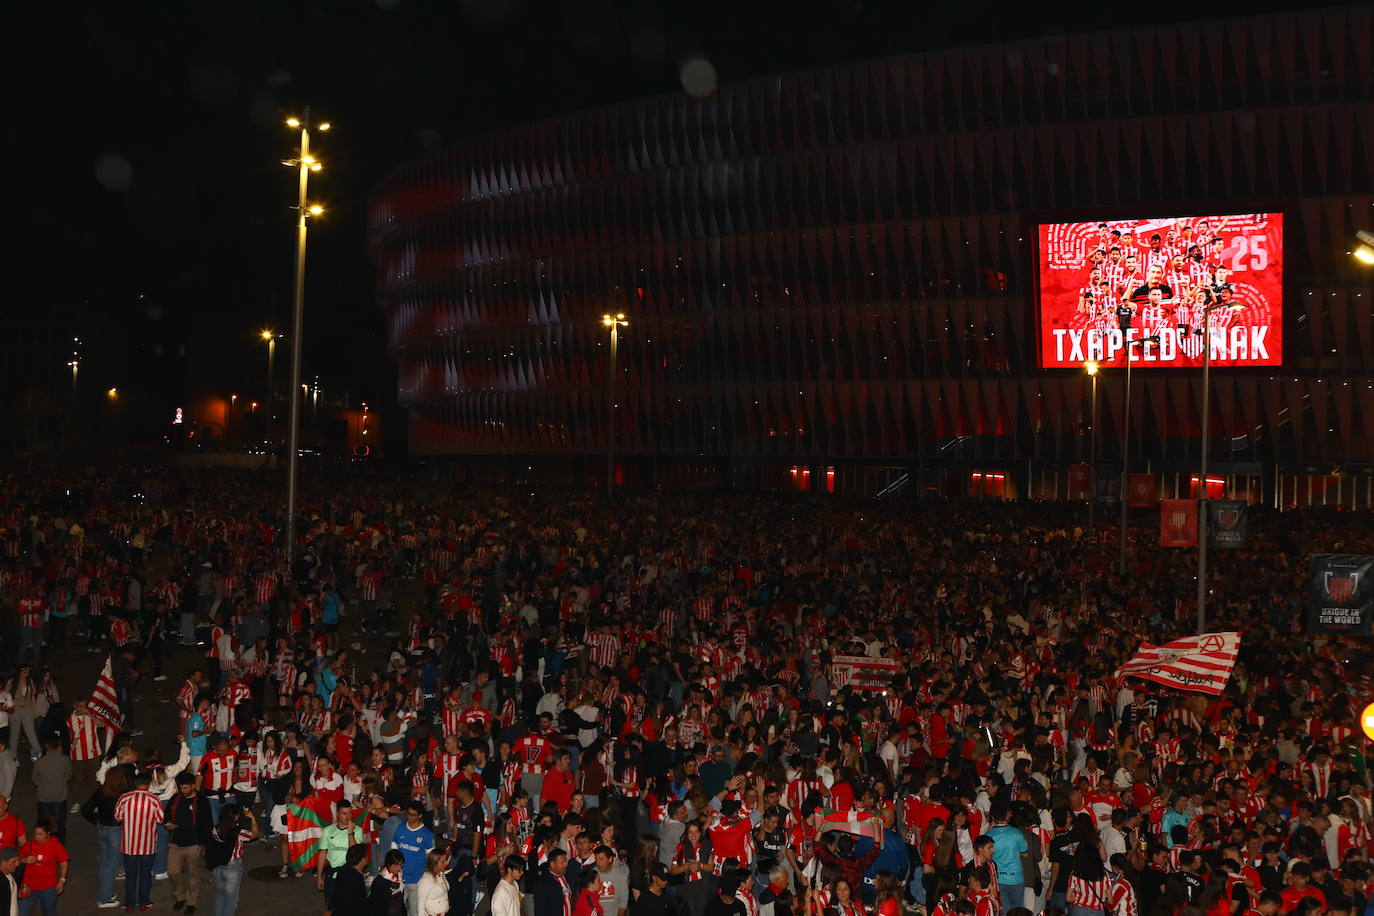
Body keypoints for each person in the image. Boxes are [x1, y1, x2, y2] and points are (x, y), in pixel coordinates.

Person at [114, 769, 163, 911]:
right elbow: (160, 820)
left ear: (135, 783)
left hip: (129, 845)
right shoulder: (154, 799)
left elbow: (118, 817)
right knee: (145, 875)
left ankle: (129, 905)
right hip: (148, 845)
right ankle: (144, 903)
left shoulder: (124, 798)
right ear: (148, 784)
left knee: (130, 876)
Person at [165, 771, 212, 914]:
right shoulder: (175, 799)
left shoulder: (202, 801)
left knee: (193, 875)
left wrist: (204, 844)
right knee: (173, 871)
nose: (182, 790)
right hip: (176, 843)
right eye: (181, 788)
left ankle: (191, 901)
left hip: (193, 844)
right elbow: (166, 815)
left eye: (185, 788)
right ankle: (180, 896)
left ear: (192, 786)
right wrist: (167, 823)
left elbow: (207, 824)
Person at [208, 804, 259, 916]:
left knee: (220, 895)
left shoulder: (215, 830)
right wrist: (252, 818)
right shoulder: (237, 832)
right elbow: (254, 834)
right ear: (234, 816)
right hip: (232, 867)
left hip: (217, 867)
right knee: (230, 900)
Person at [390, 802, 435, 916]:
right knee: (399, 909)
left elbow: (431, 858)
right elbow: (393, 850)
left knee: (414, 911)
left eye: (413, 815)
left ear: (420, 815)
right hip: (399, 879)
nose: (409, 817)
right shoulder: (400, 829)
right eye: (408, 814)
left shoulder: (427, 834)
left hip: (416, 880)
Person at [319, 801, 365, 906]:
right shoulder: (328, 830)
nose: (348, 817)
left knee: (349, 906)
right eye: (344, 813)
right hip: (332, 875)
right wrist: (319, 876)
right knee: (331, 906)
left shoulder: (357, 830)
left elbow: (355, 854)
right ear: (337, 814)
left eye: (350, 813)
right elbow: (322, 854)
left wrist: (350, 832)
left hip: (350, 875)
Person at [16, 821, 67, 916]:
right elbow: (16, 860)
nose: (37, 837)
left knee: (49, 913)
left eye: (40, 834)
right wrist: (24, 859)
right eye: (35, 834)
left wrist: (62, 880)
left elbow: (64, 863)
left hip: (49, 888)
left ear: (48, 833)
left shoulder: (55, 845)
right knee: (22, 912)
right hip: (28, 887)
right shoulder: (29, 845)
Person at [31, 738, 70, 843]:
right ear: (58, 746)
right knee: (59, 827)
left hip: (44, 799)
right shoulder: (65, 760)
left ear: (46, 746)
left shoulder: (39, 762)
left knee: (44, 827)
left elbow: (35, 781)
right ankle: (59, 851)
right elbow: (68, 776)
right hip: (60, 798)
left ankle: (45, 850)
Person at [330, 844, 372, 916]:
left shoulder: (343, 869)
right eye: (366, 856)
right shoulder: (357, 879)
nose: (368, 858)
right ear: (362, 859)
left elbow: (335, 893)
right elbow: (360, 904)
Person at [370, 849, 408, 916]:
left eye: (401, 865)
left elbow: (401, 901)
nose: (399, 868)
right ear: (388, 864)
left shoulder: (399, 876)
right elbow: (376, 906)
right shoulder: (379, 882)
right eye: (396, 865)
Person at [417, 848, 451, 916]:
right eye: (443, 861)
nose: (446, 863)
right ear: (434, 862)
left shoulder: (441, 874)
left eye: (446, 860)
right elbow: (420, 907)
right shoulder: (426, 881)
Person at [0, 846, 21, 916]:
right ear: (3, 862)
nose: (18, 864)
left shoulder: (10, 875)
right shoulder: (2, 881)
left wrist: (17, 894)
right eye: (14, 861)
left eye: (18, 860)